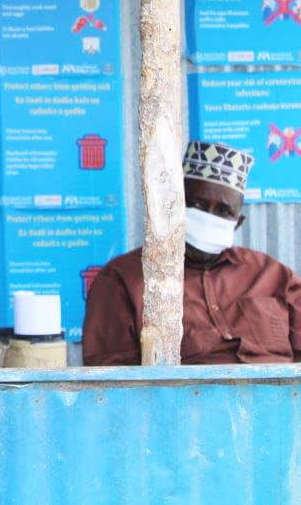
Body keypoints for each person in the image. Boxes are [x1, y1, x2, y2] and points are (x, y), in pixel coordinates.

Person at [83, 141, 301, 365]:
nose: (207, 217)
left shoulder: (274, 276)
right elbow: (111, 383)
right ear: (173, 206)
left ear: (237, 222)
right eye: (197, 204)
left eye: (223, 211)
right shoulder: (123, 280)